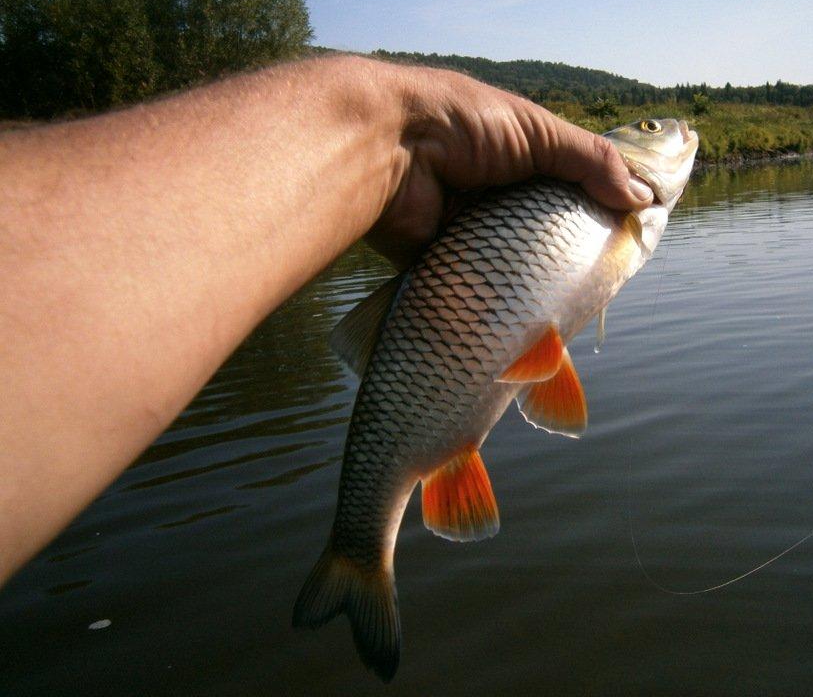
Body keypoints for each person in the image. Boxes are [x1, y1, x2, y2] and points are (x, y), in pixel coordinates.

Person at [0, 54, 652, 584]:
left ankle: (364, 550)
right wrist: (397, 137)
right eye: (649, 130)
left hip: (473, 325)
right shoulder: (602, 198)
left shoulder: (575, 198)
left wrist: (397, 142)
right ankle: (359, 555)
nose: (669, 133)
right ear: (608, 154)